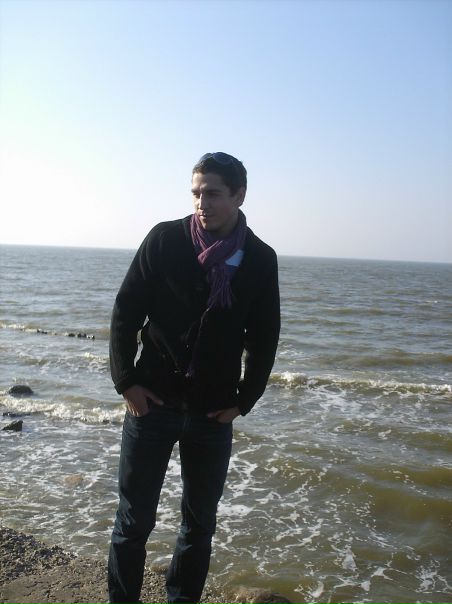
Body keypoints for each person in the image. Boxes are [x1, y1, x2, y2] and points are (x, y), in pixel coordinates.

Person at [108, 152, 280, 604]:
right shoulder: (165, 239)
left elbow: (264, 338)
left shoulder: (260, 258)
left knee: (199, 525)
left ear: (239, 195)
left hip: (211, 413)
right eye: (197, 193)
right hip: (151, 404)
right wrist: (126, 381)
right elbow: (126, 313)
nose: (203, 203)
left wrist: (244, 400)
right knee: (134, 520)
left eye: (213, 193)